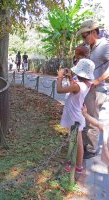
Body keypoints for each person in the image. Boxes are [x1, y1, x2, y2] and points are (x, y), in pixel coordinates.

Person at [77, 19, 109, 159]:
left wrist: (97, 80)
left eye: (85, 35)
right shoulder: (92, 47)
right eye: (82, 37)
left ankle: (92, 148)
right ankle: (85, 144)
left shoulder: (104, 45)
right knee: (85, 115)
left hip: (97, 90)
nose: (84, 39)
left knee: (91, 118)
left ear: (94, 32)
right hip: (88, 89)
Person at [57, 58, 95, 173]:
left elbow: (59, 90)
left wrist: (59, 77)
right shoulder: (86, 84)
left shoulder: (77, 86)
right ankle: (72, 161)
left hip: (75, 118)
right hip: (76, 115)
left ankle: (78, 166)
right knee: (73, 141)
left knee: (77, 143)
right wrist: (69, 77)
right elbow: (74, 88)